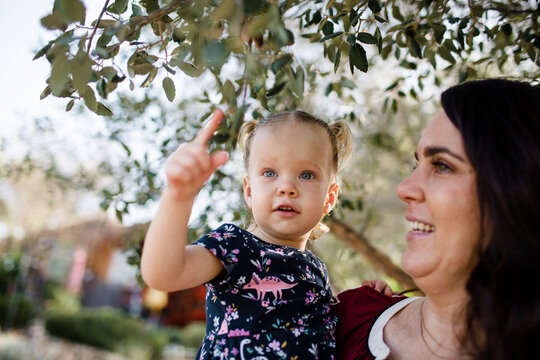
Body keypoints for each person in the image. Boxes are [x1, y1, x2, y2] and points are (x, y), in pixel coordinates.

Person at [333, 78, 540, 359]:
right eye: (416, 164)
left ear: (515, 191)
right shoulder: (340, 319)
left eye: (442, 165)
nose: (404, 188)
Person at [142, 109, 361, 359]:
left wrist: (366, 300)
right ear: (249, 191)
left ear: (329, 198)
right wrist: (178, 197)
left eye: (307, 175)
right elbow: (162, 274)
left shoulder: (316, 269)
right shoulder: (235, 247)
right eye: (270, 173)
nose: (287, 187)